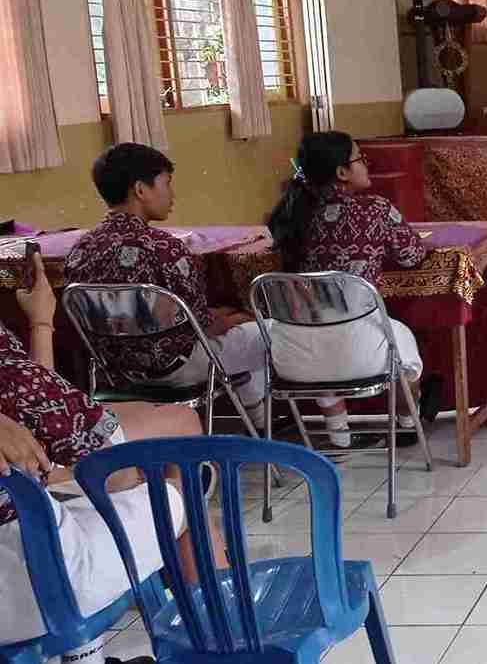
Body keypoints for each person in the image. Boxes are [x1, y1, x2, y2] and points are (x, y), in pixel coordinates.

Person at [0, 251, 210, 656]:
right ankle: (216, 642)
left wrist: (41, 322)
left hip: (24, 548)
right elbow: (112, 470)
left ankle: (88, 654)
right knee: (177, 486)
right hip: (26, 585)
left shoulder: (85, 252)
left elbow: (33, 413)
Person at [64, 143, 268, 426]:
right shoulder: (165, 249)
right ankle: (263, 426)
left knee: (240, 336)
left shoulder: (81, 250)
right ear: (141, 190)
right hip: (175, 368)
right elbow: (202, 325)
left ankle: (256, 420)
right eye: (167, 183)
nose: (172, 194)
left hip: (116, 372)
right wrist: (233, 318)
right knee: (263, 332)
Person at [266, 131, 434, 449]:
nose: (366, 165)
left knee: (319, 333)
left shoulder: (287, 216)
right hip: (360, 354)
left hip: (293, 357)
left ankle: (339, 434)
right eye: (360, 159)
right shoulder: (375, 211)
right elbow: (413, 256)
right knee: (405, 349)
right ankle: (407, 424)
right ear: (342, 172)